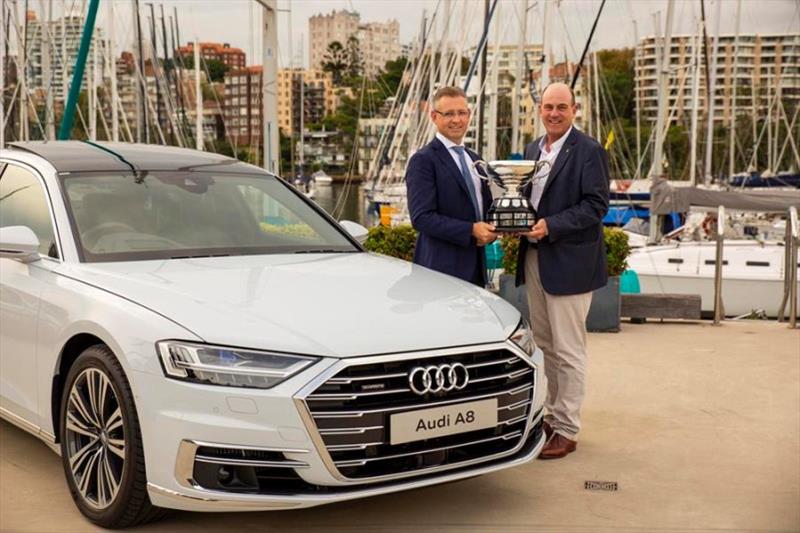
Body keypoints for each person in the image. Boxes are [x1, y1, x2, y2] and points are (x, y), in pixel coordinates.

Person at [515, 82, 610, 459]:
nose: (554, 113)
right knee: (545, 344)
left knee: (570, 350)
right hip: (535, 257)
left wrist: (551, 225)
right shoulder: (531, 150)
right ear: (539, 108)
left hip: (570, 261)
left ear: (574, 109)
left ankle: (568, 429)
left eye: (561, 107)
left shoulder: (589, 151)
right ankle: (552, 417)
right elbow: (526, 198)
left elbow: (596, 206)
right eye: (548, 106)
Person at [405, 86, 496, 286]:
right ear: (434, 117)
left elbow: (486, 209)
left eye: (462, 113)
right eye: (448, 114)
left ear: (469, 115)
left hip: (476, 267)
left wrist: (501, 225)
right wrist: (471, 230)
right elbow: (421, 218)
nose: (456, 120)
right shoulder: (423, 160)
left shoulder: (475, 159)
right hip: (440, 270)